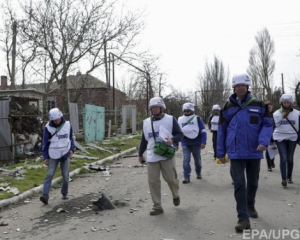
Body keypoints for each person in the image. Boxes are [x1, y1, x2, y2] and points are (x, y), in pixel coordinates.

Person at [217, 73, 273, 232]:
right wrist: (220, 152)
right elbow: (221, 130)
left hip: (255, 151)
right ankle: (243, 218)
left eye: (243, 85)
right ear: (234, 87)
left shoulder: (260, 105)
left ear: (247, 87)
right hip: (235, 152)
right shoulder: (227, 107)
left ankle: (250, 205)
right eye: (237, 85)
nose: (240, 87)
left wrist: (263, 142)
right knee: (239, 183)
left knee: (253, 182)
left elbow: (268, 125)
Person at [138, 97, 183, 215]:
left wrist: (172, 140)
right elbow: (144, 140)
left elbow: (180, 134)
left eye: (156, 107)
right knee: (153, 181)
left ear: (162, 108)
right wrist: (140, 154)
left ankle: (175, 194)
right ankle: (157, 206)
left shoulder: (170, 119)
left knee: (171, 179)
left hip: (167, 154)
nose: (154, 109)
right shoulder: (146, 122)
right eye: (152, 107)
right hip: (152, 155)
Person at [40, 108, 75, 204]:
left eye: (58, 119)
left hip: (65, 153)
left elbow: (71, 138)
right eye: (55, 120)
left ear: (61, 117)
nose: (57, 121)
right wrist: (45, 157)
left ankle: (64, 193)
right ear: (52, 119)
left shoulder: (67, 125)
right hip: (53, 154)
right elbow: (45, 143)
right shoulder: (48, 128)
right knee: (49, 174)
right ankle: (45, 195)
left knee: (65, 176)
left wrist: (72, 149)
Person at [272, 94, 300, 187]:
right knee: (283, 158)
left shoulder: (297, 113)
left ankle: (289, 176)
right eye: (285, 102)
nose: (286, 104)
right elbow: (272, 126)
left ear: (291, 103)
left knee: (290, 158)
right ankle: (283, 178)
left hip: (292, 137)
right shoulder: (276, 113)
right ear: (282, 103)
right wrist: (270, 139)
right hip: (280, 137)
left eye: (288, 102)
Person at [175, 102, 206, 183]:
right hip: (185, 142)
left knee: (197, 161)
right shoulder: (180, 119)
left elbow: (203, 131)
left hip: (196, 143)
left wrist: (203, 141)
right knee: (186, 160)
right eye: (185, 111)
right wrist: (176, 144)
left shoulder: (198, 119)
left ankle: (198, 172)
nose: (186, 113)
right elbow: (177, 132)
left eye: (188, 111)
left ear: (192, 110)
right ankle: (186, 177)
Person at [264, 101, 276, 172]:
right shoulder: (264, 115)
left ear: (272, 107)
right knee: (268, 150)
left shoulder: (275, 115)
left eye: (270, 107)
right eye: (268, 107)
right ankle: (269, 165)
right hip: (267, 135)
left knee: (273, 149)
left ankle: (272, 161)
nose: (269, 108)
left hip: (275, 134)